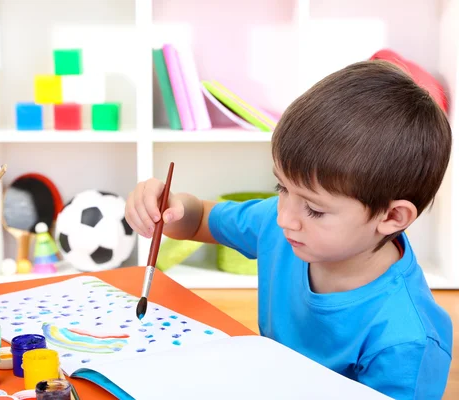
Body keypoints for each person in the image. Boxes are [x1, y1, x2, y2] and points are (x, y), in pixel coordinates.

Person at [125, 60, 453, 399]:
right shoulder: (280, 225)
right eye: (281, 187)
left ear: (393, 217)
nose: (285, 217)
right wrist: (168, 207)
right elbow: (198, 221)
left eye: (314, 208)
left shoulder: (408, 341)